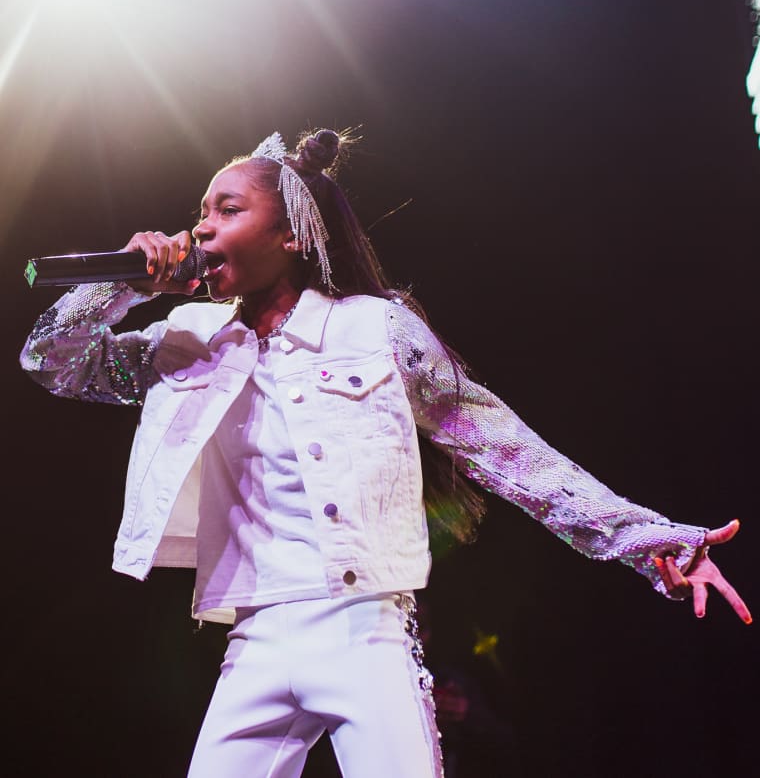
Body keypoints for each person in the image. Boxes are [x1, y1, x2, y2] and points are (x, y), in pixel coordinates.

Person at [20, 128, 751, 778]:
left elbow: (505, 449)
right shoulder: (191, 339)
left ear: (294, 237)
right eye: (200, 213)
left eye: (227, 210)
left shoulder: (377, 330)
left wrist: (641, 536)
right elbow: (54, 360)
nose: (201, 229)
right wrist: (115, 287)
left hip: (361, 627)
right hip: (254, 637)